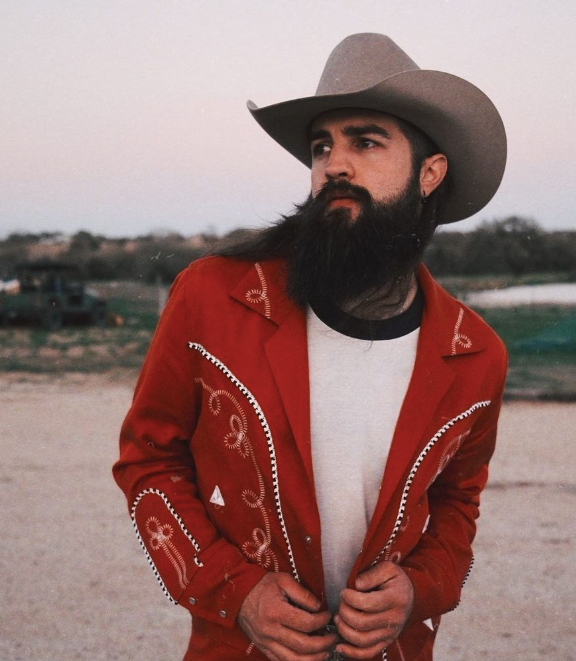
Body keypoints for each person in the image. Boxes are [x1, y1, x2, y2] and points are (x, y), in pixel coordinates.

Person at [113, 33, 508, 661]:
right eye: (322, 146)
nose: (334, 165)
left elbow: (457, 501)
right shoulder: (213, 297)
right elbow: (148, 460)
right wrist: (235, 593)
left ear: (429, 173)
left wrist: (418, 590)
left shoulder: (475, 354)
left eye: (366, 142)